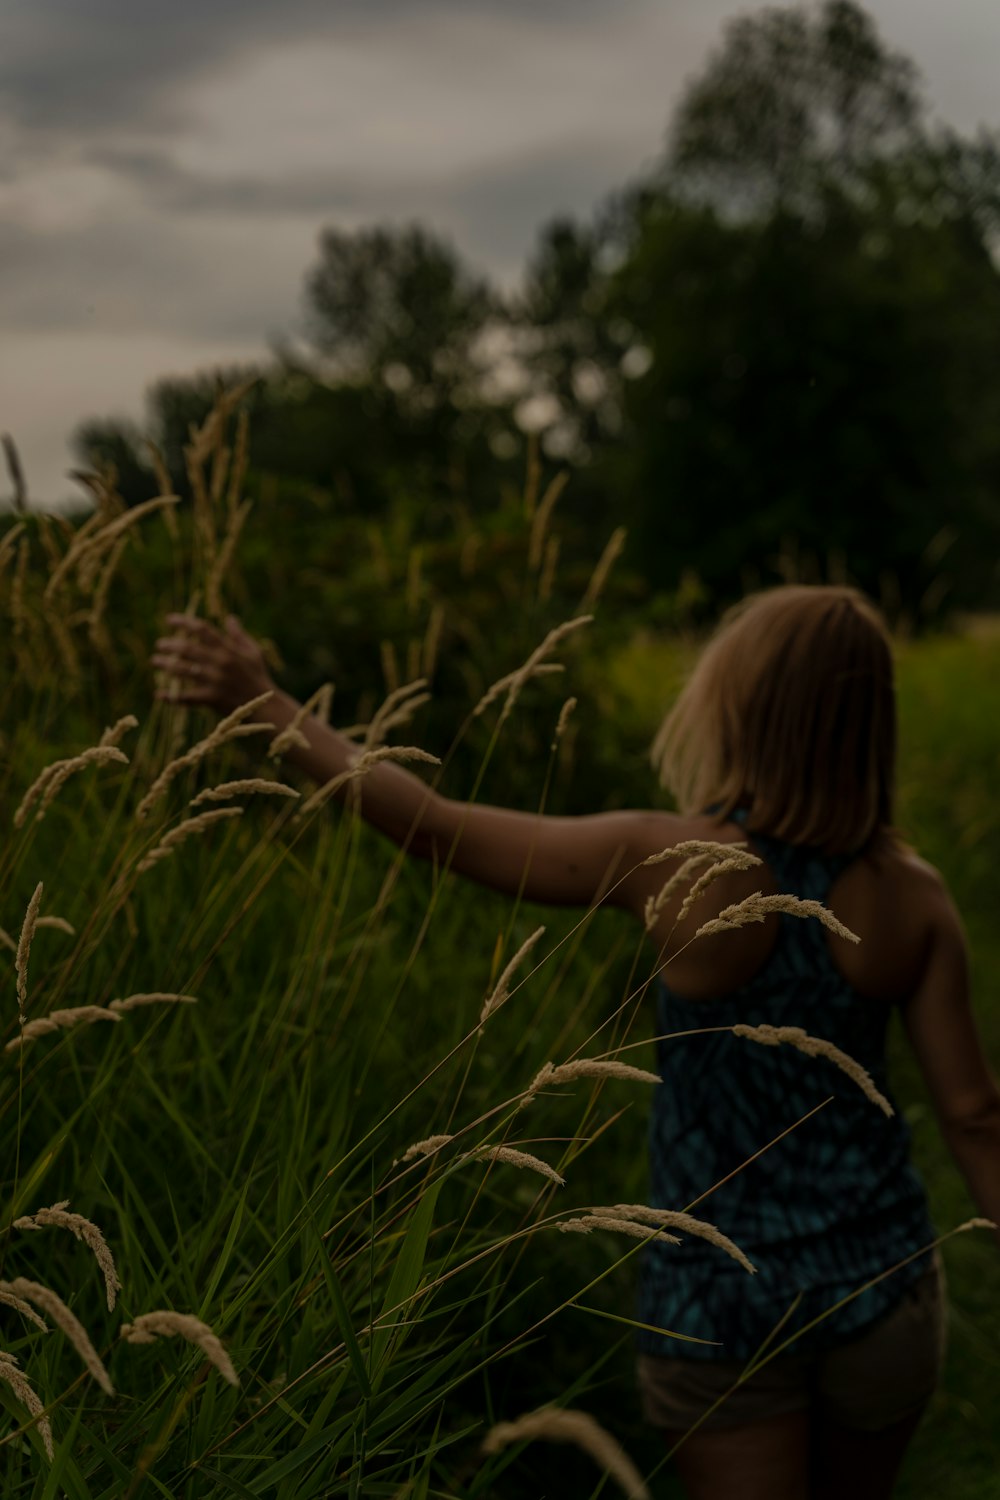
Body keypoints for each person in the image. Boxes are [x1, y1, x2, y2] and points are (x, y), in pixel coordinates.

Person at [152, 584, 1000, 1500]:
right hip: (882, 1290)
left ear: (741, 711)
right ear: (871, 725)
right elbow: (977, 1117)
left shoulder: (674, 860)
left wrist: (271, 702)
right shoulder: (915, 895)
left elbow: (434, 825)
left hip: (712, 1296)